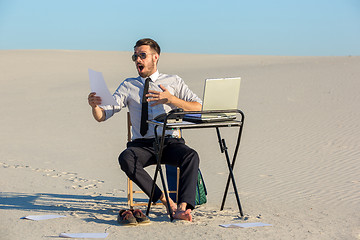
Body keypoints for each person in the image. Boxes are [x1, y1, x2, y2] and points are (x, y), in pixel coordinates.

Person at [87, 38, 202, 222]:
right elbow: (103, 115)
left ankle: (183, 207)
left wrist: (172, 100)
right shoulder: (128, 85)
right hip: (143, 146)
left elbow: (198, 107)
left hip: (169, 142)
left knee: (191, 155)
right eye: (135, 56)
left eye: (142, 55)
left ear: (155, 57)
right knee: (126, 158)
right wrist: (95, 107)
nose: (138, 60)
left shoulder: (173, 81)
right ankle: (166, 202)